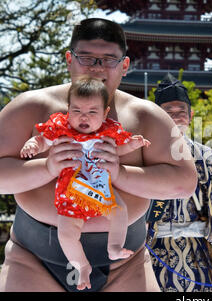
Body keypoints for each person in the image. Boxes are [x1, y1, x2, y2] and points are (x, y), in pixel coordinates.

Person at [0, 18, 197, 292]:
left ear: (124, 66)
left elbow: (184, 182)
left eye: (108, 59)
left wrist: (120, 173)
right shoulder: (31, 106)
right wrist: (47, 168)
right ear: (69, 59)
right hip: (32, 257)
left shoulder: (146, 115)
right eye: (86, 58)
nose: (96, 68)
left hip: (126, 262)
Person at [20, 77, 151, 290]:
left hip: (100, 187)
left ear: (105, 113)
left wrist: (133, 145)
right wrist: (33, 143)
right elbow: (44, 140)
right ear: (68, 110)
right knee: (66, 234)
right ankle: (82, 266)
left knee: (120, 211)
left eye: (92, 112)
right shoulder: (61, 129)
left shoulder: (108, 132)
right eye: (77, 111)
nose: (84, 117)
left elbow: (119, 150)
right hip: (71, 192)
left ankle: (114, 246)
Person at [146, 73, 212, 292]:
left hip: (201, 253)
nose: (175, 118)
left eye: (181, 112)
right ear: (156, 117)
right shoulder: (141, 155)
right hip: (153, 250)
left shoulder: (209, 157)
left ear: (191, 115)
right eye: (167, 113)